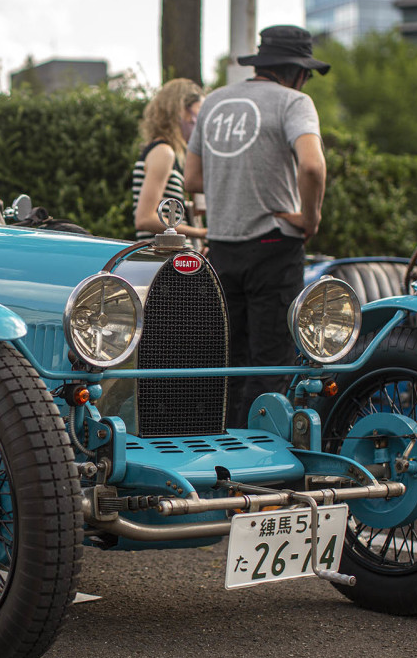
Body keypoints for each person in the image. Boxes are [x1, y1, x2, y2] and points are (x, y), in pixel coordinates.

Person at [184, 24, 329, 427]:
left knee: (226, 359)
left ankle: (217, 452)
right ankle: (260, 461)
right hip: (274, 245)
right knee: (270, 362)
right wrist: (309, 218)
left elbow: (192, 178)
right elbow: (313, 166)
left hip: (222, 246)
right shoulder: (294, 102)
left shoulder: (213, 102)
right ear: (298, 71)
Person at [133, 78, 207, 242]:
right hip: (162, 262)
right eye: (198, 112)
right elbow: (145, 218)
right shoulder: (163, 152)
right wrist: (201, 233)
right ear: (181, 111)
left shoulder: (164, 151)